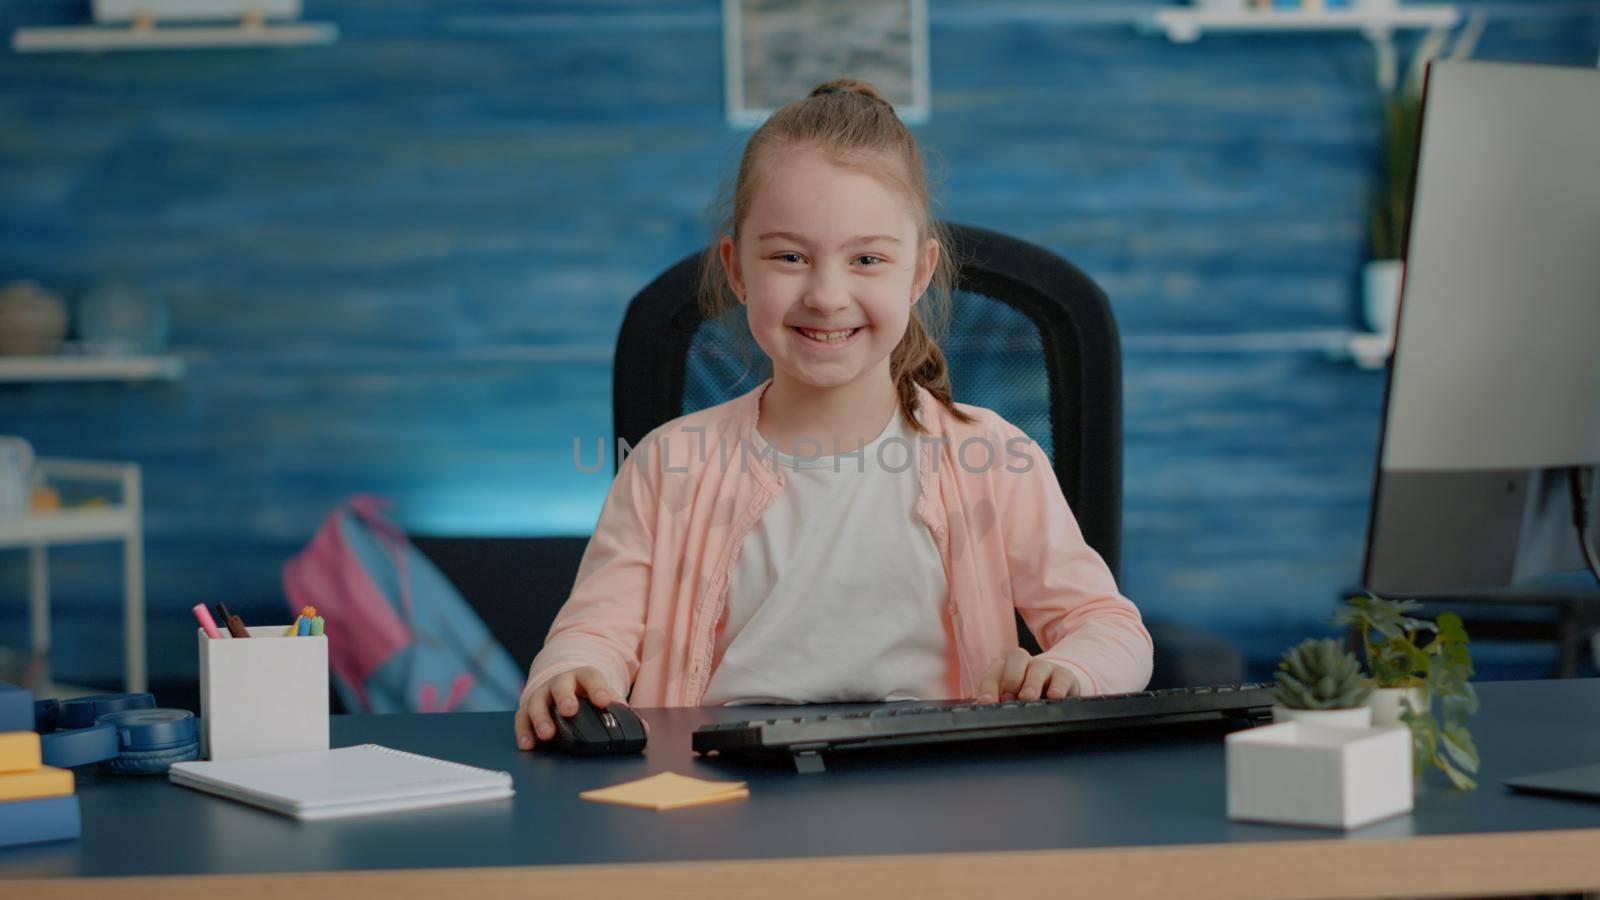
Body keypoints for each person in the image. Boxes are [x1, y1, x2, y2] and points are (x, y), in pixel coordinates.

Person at [515, 78, 1152, 750]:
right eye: (789, 257)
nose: (826, 294)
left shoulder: (994, 457)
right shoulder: (665, 464)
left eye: (867, 259)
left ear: (917, 273)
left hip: (935, 786)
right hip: (716, 797)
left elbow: (1109, 628)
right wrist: (572, 672)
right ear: (737, 270)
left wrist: (1071, 670)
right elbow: (596, 631)